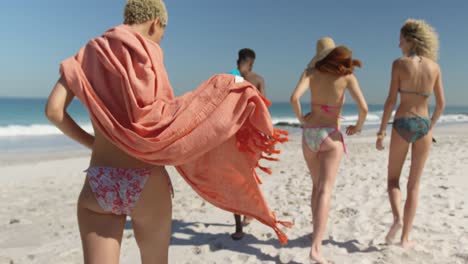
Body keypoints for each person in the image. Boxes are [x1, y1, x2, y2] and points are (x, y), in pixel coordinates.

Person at [46, 0, 290, 263]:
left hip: (100, 179)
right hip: (145, 180)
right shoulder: (149, 54)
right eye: (163, 33)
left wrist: (95, 144)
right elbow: (161, 120)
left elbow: (54, 111)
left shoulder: (89, 53)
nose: (161, 40)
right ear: (155, 23)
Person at [290, 37, 368, 264]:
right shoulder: (347, 77)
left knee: (316, 186)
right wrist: (358, 126)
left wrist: (301, 119)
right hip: (331, 136)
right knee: (325, 189)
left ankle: (315, 233)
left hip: (310, 135)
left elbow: (294, 98)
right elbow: (363, 108)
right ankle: (316, 247)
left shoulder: (310, 73)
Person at [376, 19, 445, 249]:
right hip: (424, 124)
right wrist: (431, 126)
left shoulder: (399, 64)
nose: (398, 44)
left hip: (402, 122)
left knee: (393, 180)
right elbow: (441, 104)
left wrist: (381, 131)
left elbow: (390, 101)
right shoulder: (434, 67)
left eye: (401, 39)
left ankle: (396, 219)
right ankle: (405, 238)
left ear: (411, 40)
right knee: (413, 186)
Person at [229, 48, 266, 240]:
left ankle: (239, 226)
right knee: (247, 176)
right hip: (250, 135)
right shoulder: (257, 79)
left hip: (234, 133)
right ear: (252, 62)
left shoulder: (234, 77)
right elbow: (263, 110)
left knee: (236, 178)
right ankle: (246, 216)